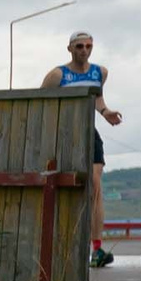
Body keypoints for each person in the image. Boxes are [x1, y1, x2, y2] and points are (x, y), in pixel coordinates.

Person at [43, 32, 122, 268]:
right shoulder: (58, 75)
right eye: (79, 46)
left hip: (89, 131)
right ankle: (62, 243)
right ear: (70, 49)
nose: (84, 50)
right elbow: (42, 101)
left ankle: (96, 248)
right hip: (65, 134)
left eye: (88, 46)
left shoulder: (100, 72)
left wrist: (106, 113)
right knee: (64, 186)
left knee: (96, 186)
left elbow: (97, 99)